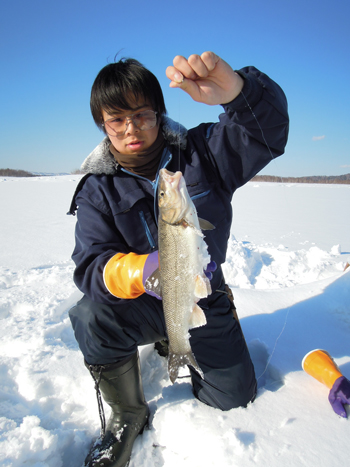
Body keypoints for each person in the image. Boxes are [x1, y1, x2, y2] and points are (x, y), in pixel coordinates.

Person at [68, 51, 289, 467]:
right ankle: (128, 413)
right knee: (89, 315)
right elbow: (91, 267)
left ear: (158, 112)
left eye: (142, 115)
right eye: (117, 119)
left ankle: (183, 343)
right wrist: (141, 269)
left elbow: (267, 135)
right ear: (103, 124)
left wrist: (240, 95)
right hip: (145, 301)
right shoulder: (96, 190)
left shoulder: (201, 153)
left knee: (234, 397)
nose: (131, 128)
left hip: (202, 298)